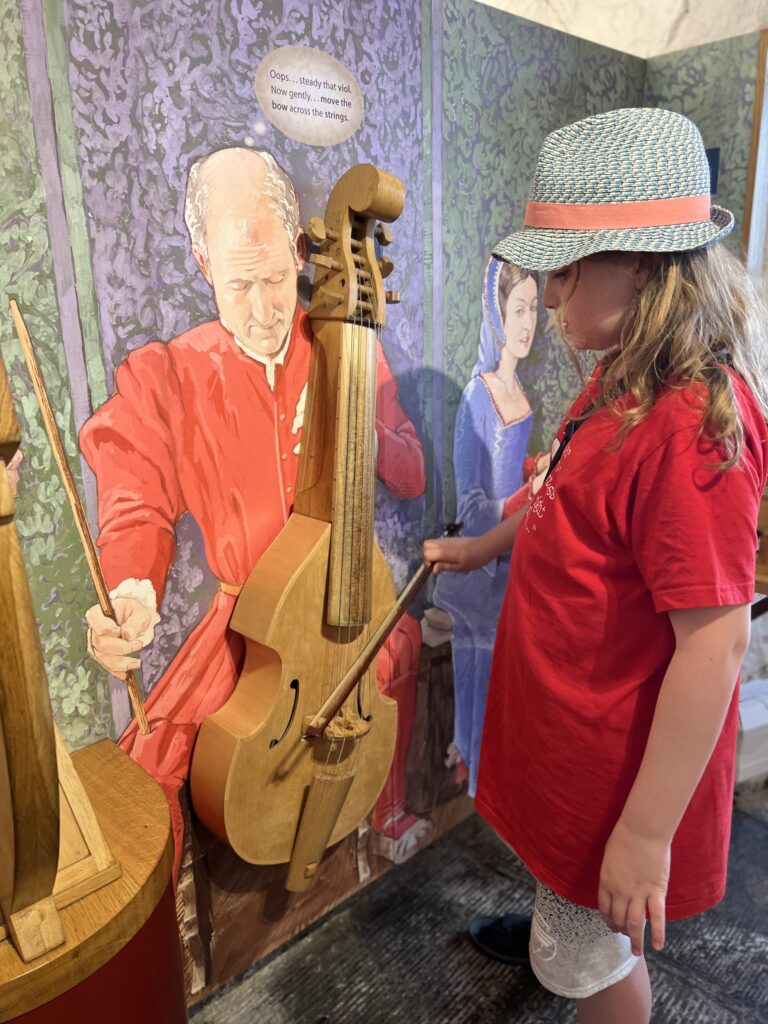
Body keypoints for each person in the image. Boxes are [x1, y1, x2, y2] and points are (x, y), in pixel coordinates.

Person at [424, 107, 768, 1023]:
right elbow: (556, 489)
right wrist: (486, 543)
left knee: (593, 958)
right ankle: (555, 923)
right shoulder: (619, 377)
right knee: (566, 905)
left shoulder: (691, 427)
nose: (552, 290)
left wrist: (646, 834)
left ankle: (572, 957)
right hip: (570, 736)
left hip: (618, 773)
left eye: (568, 271)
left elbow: (715, 646)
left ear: (649, 268)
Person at [81, 147, 428, 878]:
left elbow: (411, 469)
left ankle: (379, 820)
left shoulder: (342, 346)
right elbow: (135, 495)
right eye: (240, 285)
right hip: (244, 624)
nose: (266, 309)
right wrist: (131, 592)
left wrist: (355, 419)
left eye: (276, 279)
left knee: (395, 658)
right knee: (152, 764)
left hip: (337, 606)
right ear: (203, 264)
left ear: (300, 250)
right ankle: (172, 942)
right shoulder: (170, 375)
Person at [433, 257, 546, 796]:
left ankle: (491, 779)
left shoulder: (520, 395)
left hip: (510, 560)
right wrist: (529, 495)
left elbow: (509, 468)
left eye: (533, 309)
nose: (527, 322)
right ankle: (473, 773)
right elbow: (473, 497)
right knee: (479, 673)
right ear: (495, 314)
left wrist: (533, 470)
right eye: (517, 309)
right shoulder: (479, 395)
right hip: (479, 569)